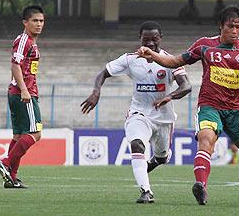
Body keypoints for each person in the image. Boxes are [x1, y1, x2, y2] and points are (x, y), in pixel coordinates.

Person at [137, 5, 239, 206]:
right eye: (231, 26)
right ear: (221, 26)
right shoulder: (204, 45)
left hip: (236, 110)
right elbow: (176, 61)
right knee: (206, 140)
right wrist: (154, 56)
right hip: (209, 107)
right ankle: (201, 186)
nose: (235, 31)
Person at [81, 21, 192, 203]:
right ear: (140, 38)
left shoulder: (170, 61)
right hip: (138, 113)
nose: (149, 44)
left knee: (162, 157)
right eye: (146, 39)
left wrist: (169, 97)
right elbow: (103, 73)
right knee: (137, 144)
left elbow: (186, 86)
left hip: (164, 118)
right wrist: (96, 91)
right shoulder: (130, 59)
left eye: (154, 40)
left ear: (160, 39)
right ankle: (146, 191)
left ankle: (157, 160)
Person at [0, 5, 45, 188]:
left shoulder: (29, 41)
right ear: (25, 22)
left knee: (18, 136)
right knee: (35, 133)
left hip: (18, 92)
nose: (39, 24)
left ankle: (11, 178)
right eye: (35, 21)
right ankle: (6, 163)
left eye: (41, 21)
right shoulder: (25, 40)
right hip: (24, 93)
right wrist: (24, 90)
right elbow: (15, 65)